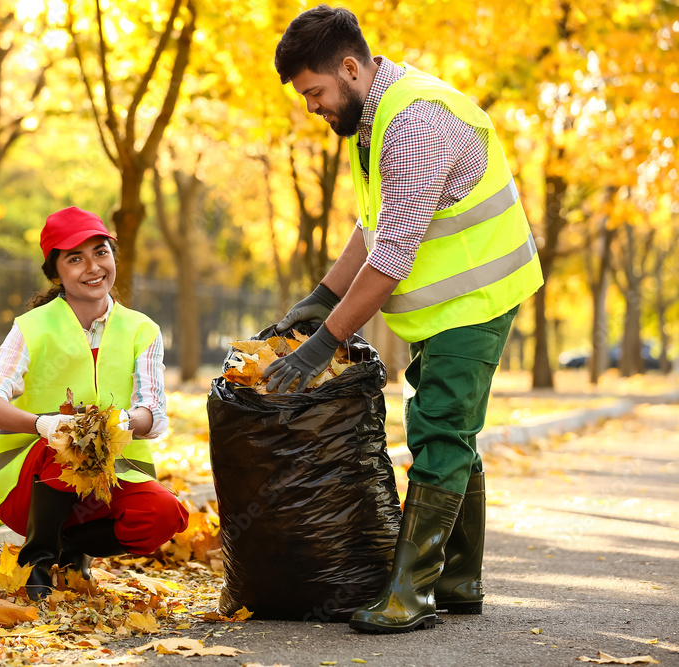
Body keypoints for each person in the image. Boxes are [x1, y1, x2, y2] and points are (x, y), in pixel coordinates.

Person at [268, 5, 544, 633]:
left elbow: (393, 256)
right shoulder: (374, 118)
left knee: (440, 428)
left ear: (348, 67)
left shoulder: (413, 124)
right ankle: (458, 579)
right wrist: (319, 296)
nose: (311, 107)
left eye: (314, 92)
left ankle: (411, 594)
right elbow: (377, 225)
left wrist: (325, 342)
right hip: (450, 303)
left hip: (479, 295)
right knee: (447, 423)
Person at [0, 206, 189, 600]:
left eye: (101, 252)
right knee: (66, 443)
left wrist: (117, 423)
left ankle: (74, 547)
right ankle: (36, 562)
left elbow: (153, 414)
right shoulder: (32, 327)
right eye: (75, 258)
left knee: (163, 515)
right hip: (31, 483)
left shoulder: (143, 329)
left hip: (111, 479)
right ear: (56, 273)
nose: (93, 266)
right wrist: (43, 425)